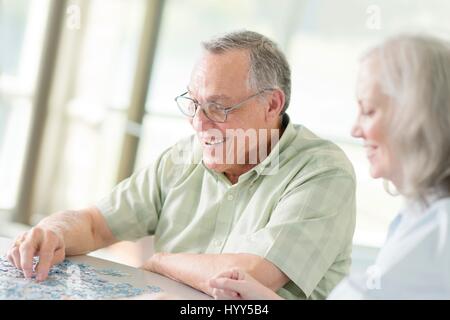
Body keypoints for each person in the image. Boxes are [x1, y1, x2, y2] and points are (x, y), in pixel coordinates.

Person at [7, 30, 356, 300]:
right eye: (193, 103)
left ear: (271, 105)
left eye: (219, 107)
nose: (199, 124)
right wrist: (52, 231)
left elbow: (248, 276)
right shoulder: (181, 158)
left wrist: (161, 262)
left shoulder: (322, 172)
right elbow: (97, 225)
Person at [209, 34, 450, 300]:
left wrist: (159, 261)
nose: (355, 130)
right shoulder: (418, 216)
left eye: (369, 111)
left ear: (417, 116)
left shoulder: (439, 231)